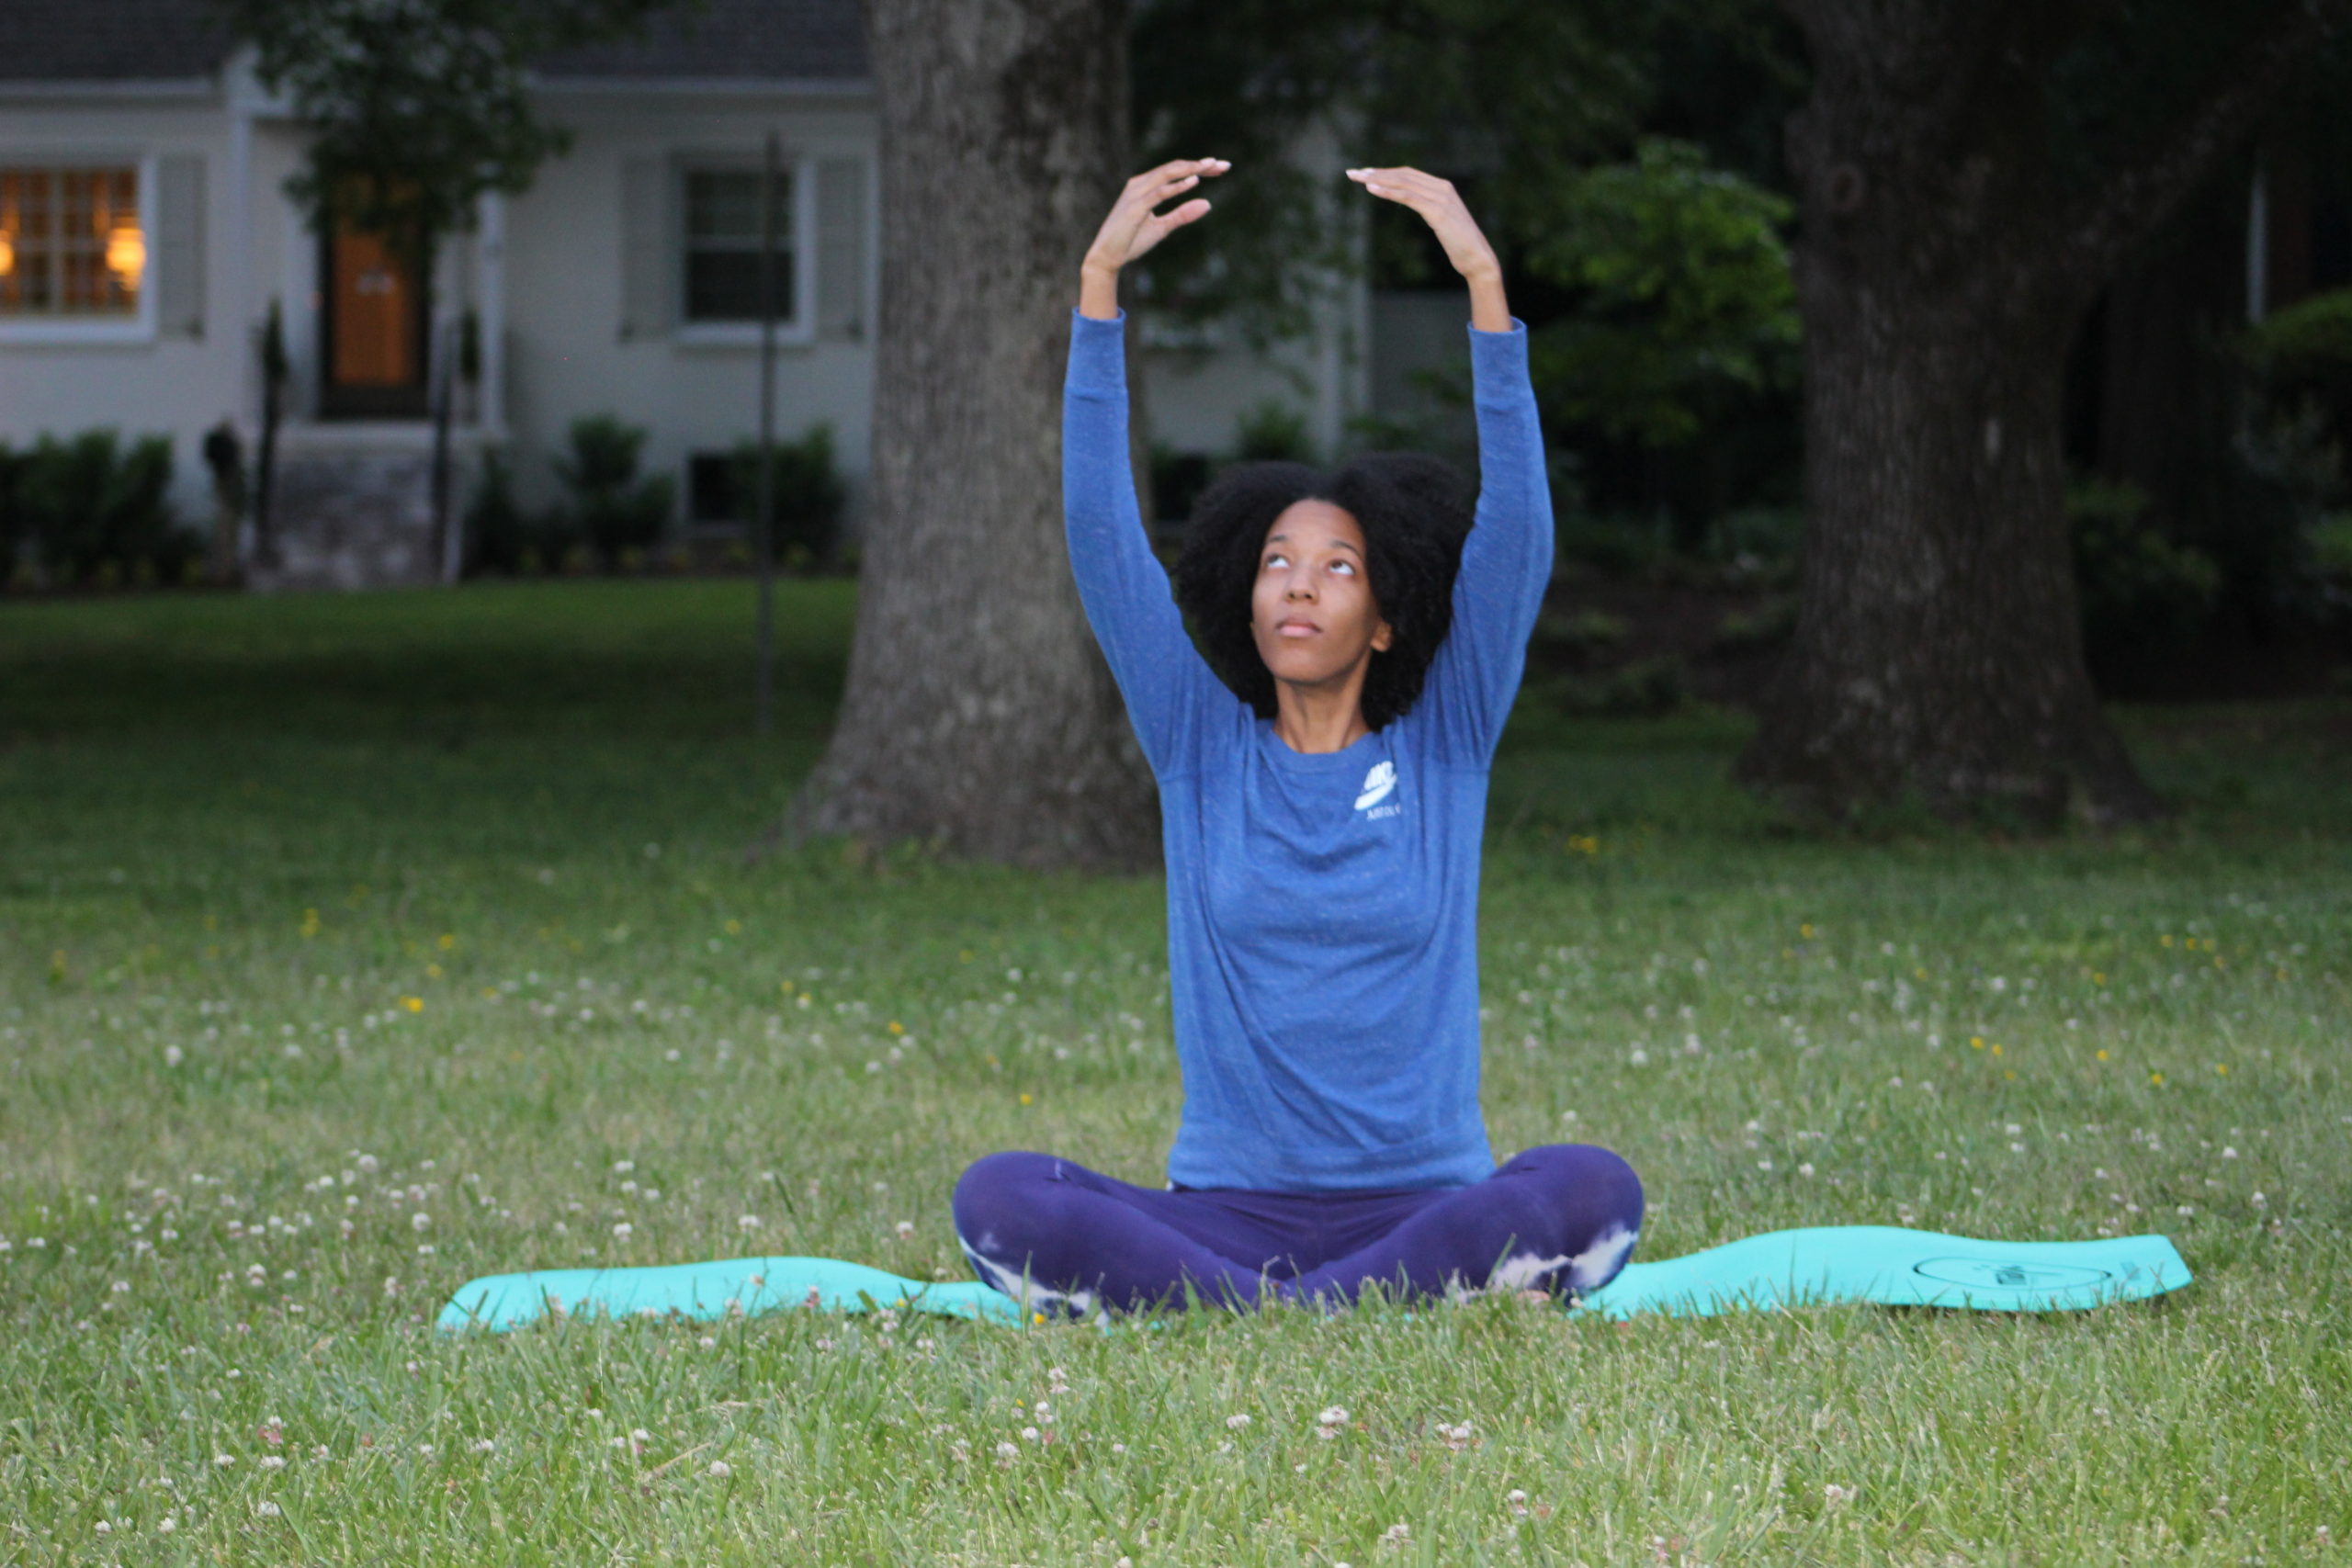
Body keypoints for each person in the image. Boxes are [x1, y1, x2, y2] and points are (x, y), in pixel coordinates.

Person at [952, 159, 1643, 1318]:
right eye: (1275, 562)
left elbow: (1515, 537)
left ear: (1385, 617)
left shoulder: (1446, 743)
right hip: (1223, 1209)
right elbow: (1102, 536)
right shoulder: (1196, 747)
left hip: (1427, 1206)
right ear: (1244, 592)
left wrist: (1483, 288)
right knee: (1002, 1192)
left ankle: (1265, 1311)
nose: (1298, 589)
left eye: (1337, 569)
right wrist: (1097, 286)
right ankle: (1354, 1307)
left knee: (1588, 1182)